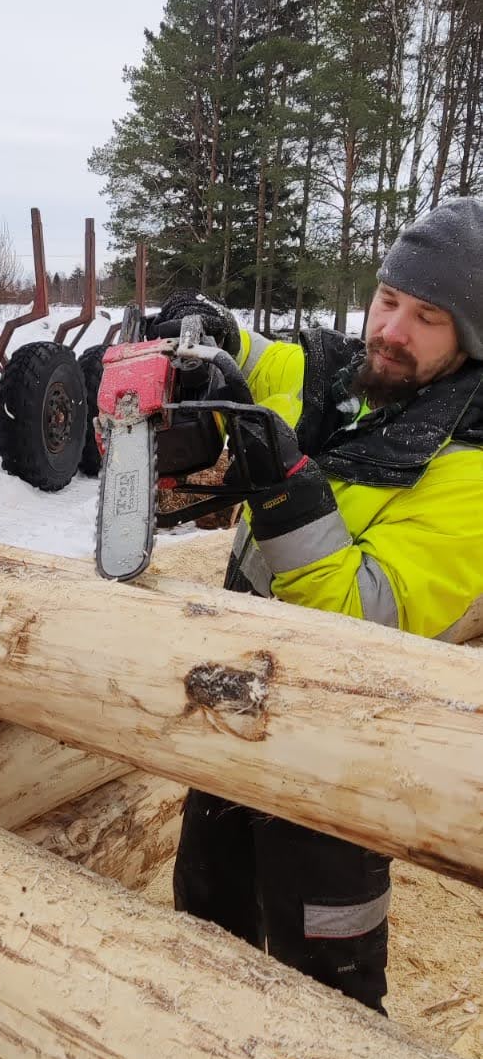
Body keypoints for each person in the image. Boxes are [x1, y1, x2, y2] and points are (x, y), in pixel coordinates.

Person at [169, 195, 483, 1014]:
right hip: (234, 706)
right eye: (387, 299)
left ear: (468, 341)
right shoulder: (347, 376)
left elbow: (363, 617)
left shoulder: (469, 468)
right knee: (205, 928)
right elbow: (267, 363)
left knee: (324, 985)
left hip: (344, 748)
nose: (392, 330)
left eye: (427, 317)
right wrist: (204, 334)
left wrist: (285, 490)